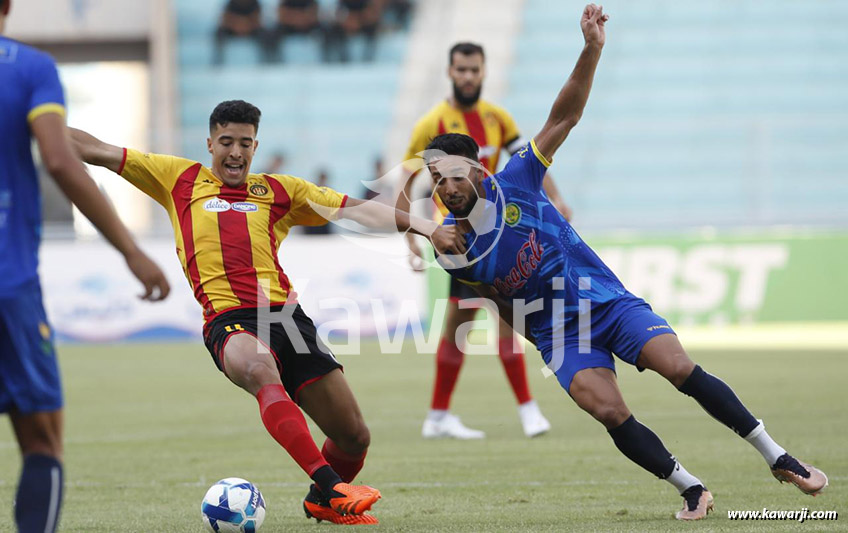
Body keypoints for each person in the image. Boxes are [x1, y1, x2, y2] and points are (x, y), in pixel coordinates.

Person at [425, 4, 827, 520]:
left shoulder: (518, 179)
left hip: (607, 302)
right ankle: (689, 487)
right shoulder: (455, 249)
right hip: (559, 334)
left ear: (476, 170)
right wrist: (542, 341)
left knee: (680, 368)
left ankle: (777, 456)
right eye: (435, 180)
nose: (444, 187)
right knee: (609, 410)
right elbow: (497, 301)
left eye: (452, 175)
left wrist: (591, 49)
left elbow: (564, 115)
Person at [70, 100, 463, 526]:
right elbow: (99, 150)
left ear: (255, 145)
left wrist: (426, 227)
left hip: (287, 320)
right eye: (225, 142)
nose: (235, 152)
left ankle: (319, 501)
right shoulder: (177, 177)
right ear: (209, 143)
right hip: (228, 320)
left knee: (353, 436)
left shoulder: (279, 190)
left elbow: (354, 209)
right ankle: (332, 486)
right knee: (260, 369)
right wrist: (39, 124)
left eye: (244, 143)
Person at [0, 1, 171, 531]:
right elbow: (58, 158)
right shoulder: (30, 68)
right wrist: (131, 249)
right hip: (9, 283)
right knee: (43, 441)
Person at [398, 41, 573, 439]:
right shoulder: (431, 123)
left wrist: (557, 198)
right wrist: (410, 233)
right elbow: (407, 180)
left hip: (502, 230)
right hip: (460, 238)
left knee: (480, 321)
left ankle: (441, 415)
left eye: (474, 70)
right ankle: (524, 411)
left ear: (483, 72)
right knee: (488, 318)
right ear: (450, 71)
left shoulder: (498, 118)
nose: (468, 76)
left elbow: (532, 161)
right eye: (461, 69)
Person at [213, 0, 269, 66]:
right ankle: (217, 62)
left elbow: (258, 19)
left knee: (264, 33)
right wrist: (237, 25)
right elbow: (225, 18)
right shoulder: (231, 3)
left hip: (250, 28)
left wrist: (246, 25)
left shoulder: (255, 3)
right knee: (219, 32)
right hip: (233, 29)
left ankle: (266, 61)